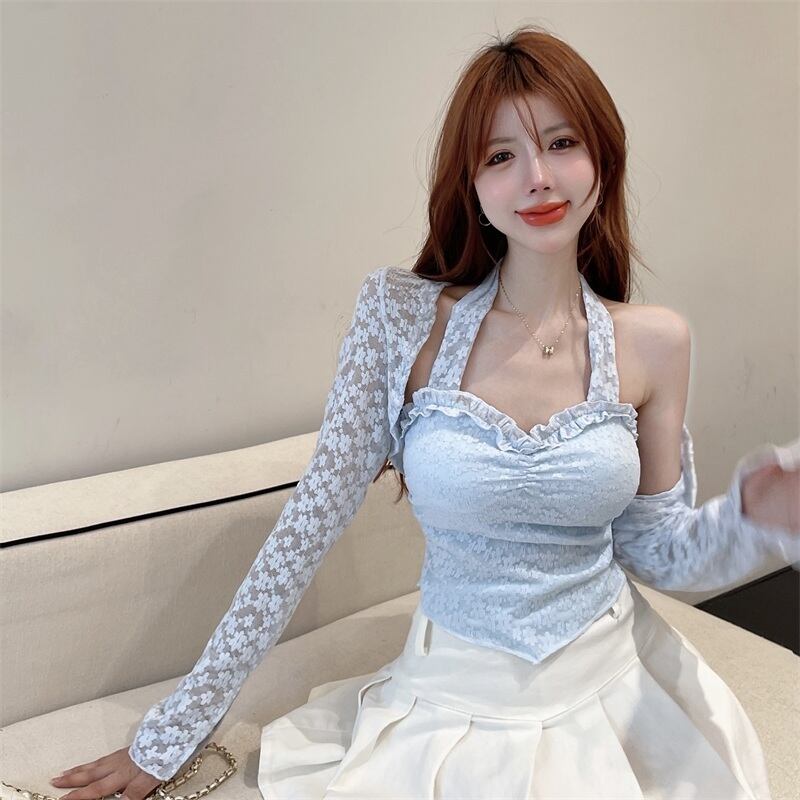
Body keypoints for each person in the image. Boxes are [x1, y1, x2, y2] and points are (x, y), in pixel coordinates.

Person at [49, 25, 800, 800]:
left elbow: (658, 553)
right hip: (452, 696)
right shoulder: (400, 320)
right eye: (501, 156)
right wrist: (170, 734)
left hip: (612, 690)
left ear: (602, 161)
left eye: (562, 143)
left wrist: (756, 518)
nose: (538, 178)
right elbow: (306, 528)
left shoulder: (656, 342)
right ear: (470, 184)